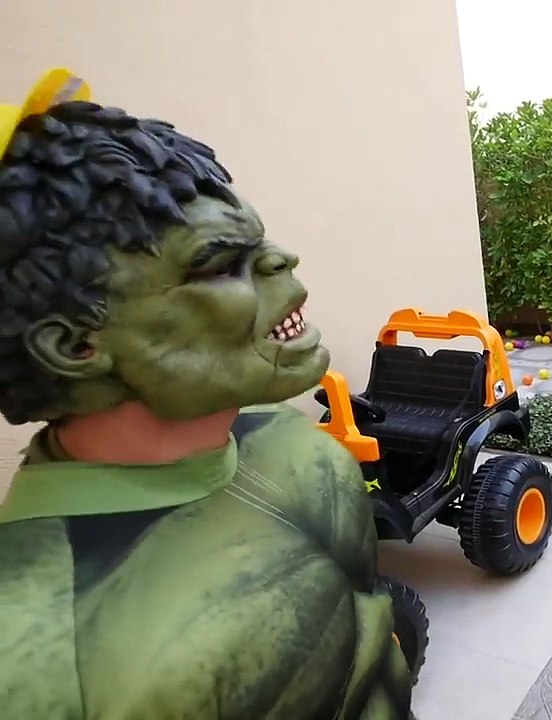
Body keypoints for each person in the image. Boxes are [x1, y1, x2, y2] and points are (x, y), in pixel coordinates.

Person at [0, 69, 414, 719]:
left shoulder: (297, 444)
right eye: (220, 263)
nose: (284, 260)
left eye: (258, 239)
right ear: (78, 345)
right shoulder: (35, 656)